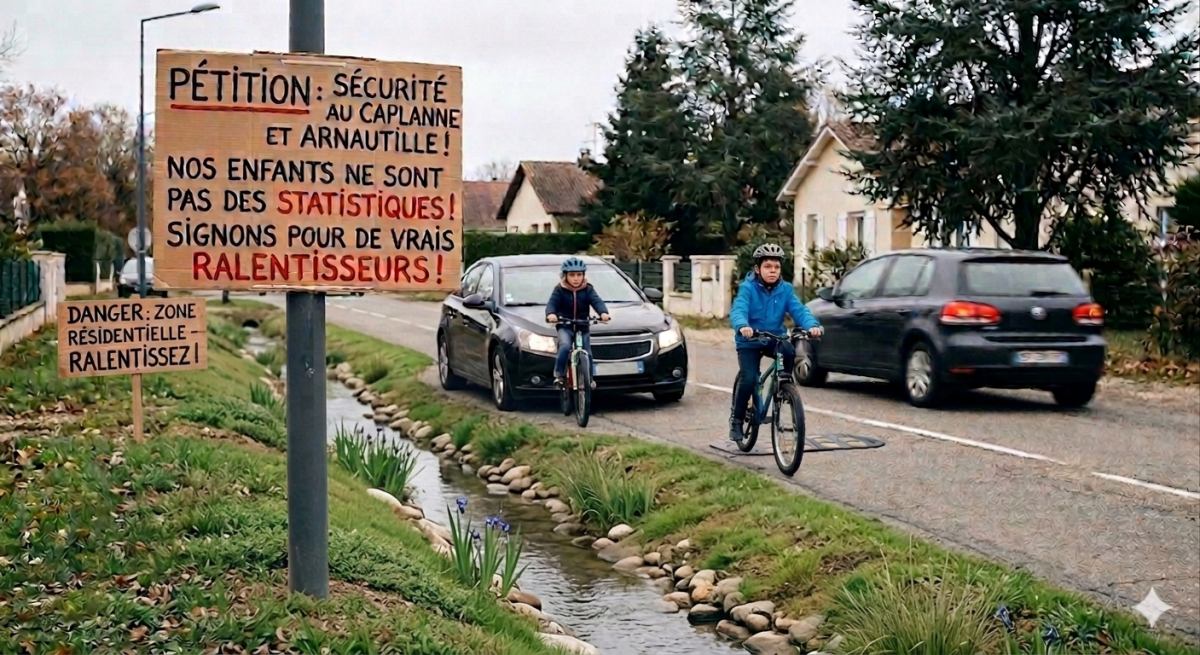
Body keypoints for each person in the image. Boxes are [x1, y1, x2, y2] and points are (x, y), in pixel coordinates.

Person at [728, 244, 824, 442]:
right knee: (748, 378)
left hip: (774, 338)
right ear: (757, 269)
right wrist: (742, 326)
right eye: (768, 266)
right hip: (749, 339)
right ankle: (737, 421)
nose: (773, 271)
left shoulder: (785, 290)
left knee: (788, 348)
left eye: (776, 267)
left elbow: (799, 310)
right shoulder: (747, 288)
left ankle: (783, 388)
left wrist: (812, 326)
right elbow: (738, 310)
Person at [546, 257, 611, 386]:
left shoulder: (588, 289)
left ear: (583, 275)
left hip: (582, 325)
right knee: (564, 346)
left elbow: (596, 301)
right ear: (565, 276)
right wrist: (551, 314)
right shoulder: (559, 290)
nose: (576, 278)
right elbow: (552, 303)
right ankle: (559, 374)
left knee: (588, 352)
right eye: (572, 275)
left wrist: (603, 313)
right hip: (565, 325)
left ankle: (590, 379)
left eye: (579, 274)